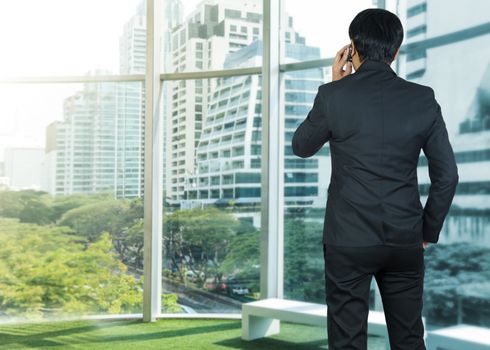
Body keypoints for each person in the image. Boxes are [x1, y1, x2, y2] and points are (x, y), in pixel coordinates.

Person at [291, 8, 459, 350]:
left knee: (347, 341)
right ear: (396, 51)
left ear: (352, 48)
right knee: (409, 338)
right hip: (404, 238)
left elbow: (302, 146)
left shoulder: (332, 95)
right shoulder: (423, 98)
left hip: (347, 239)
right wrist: (427, 230)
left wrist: (336, 85)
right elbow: (447, 175)